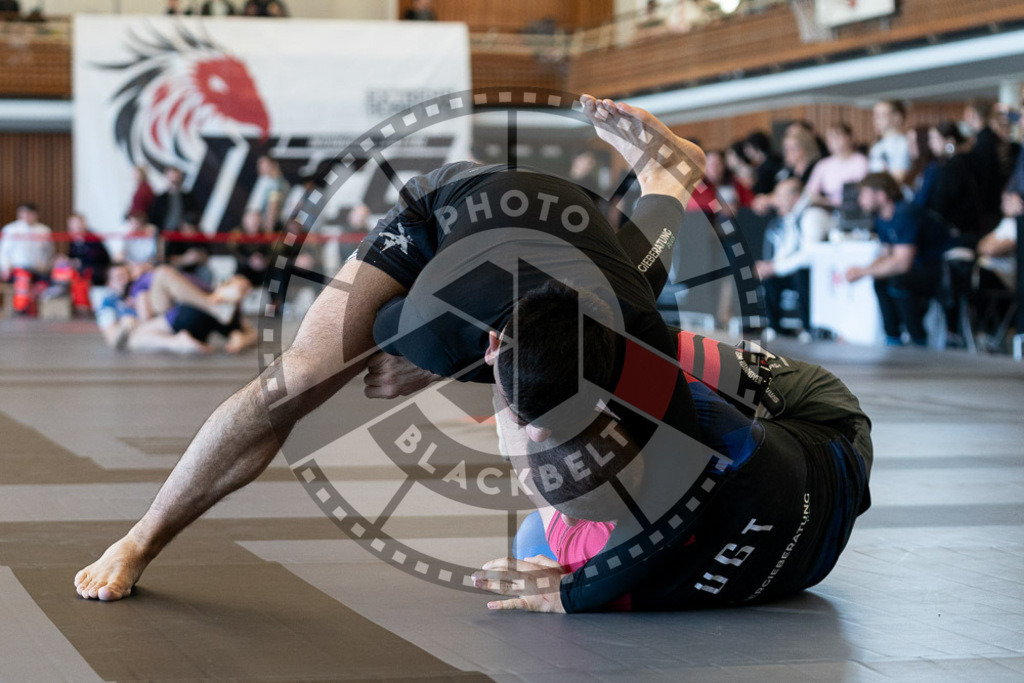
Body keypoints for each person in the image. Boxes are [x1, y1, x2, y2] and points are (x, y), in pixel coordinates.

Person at [73, 95, 707, 601]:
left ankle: (667, 174)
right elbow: (382, 343)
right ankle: (140, 539)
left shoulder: (635, 331)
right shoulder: (435, 323)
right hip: (447, 210)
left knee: (639, 283)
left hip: (572, 245)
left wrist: (572, 592)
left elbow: (690, 484)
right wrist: (426, 365)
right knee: (303, 378)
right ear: (490, 349)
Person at [476, 330, 872, 613]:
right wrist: (507, 365)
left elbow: (535, 481)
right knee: (659, 348)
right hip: (835, 453)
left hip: (811, 563)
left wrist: (568, 592)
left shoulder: (586, 560)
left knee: (531, 542)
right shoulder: (712, 429)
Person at [845, 173, 951, 347]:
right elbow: (886, 255)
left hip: (940, 268)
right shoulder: (882, 219)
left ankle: (919, 339)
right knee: (880, 280)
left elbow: (902, 263)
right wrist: (864, 270)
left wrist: (863, 272)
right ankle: (892, 337)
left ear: (881, 195)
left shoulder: (905, 213)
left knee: (898, 280)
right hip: (919, 267)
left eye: (864, 194)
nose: (860, 200)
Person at [92, 263, 254, 353]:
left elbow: (147, 314)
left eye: (126, 274)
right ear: (109, 284)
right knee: (134, 339)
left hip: (181, 314)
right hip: (176, 320)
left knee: (163, 273)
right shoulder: (109, 302)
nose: (125, 279)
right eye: (118, 277)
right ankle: (180, 340)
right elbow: (113, 339)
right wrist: (126, 325)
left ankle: (213, 308)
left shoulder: (139, 286)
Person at [755, 178, 833, 341]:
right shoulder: (791, 217)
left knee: (800, 273)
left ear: (796, 197)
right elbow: (787, 249)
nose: (776, 202)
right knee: (770, 279)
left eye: (781, 197)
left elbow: (810, 256)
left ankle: (809, 328)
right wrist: (771, 266)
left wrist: (776, 267)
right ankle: (774, 328)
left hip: (819, 274)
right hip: (798, 269)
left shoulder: (812, 214)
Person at [920, 122, 982, 247]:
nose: (930, 144)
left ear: (950, 142)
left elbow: (941, 202)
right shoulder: (962, 160)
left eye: (934, 139)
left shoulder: (953, 166)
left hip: (958, 232)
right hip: (968, 228)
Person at [803, 123, 869, 209]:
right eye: (829, 138)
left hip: (854, 207)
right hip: (829, 208)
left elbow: (863, 190)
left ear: (849, 138)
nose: (832, 141)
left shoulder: (861, 161)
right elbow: (810, 192)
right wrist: (824, 201)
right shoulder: (823, 164)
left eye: (836, 136)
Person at [0, 203, 53, 282]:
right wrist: (5, 268)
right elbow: (3, 251)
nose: (26, 216)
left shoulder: (44, 230)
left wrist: (47, 266)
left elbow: (49, 251)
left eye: (29, 213)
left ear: (35, 214)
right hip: (17, 269)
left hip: (39, 269)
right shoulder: (10, 229)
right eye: (23, 213)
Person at [868, 101, 912, 184]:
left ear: (896, 117)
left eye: (881, 115)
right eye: (875, 115)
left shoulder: (903, 144)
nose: (876, 119)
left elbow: (898, 178)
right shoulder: (877, 145)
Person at [65, 213, 110, 286]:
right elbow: (72, 256)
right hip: (80, 272)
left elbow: (96, 260)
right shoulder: (73, 242)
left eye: (78, 228)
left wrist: (79, 263)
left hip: (97, 273)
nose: (75, 232)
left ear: (84, 226)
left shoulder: (93, 239)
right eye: (72, 229)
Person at [148, 167, 197, 234]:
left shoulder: (188, 197)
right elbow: (153, 219)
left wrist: (188, 224)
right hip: (164, 233)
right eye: (172, 178)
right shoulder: (160, 199)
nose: (174, 180)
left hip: (182, 234)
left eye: (177, 177)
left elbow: (194, 214)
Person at [247, 155, 289, 231]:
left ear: (274, 165)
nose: (260, 168)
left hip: (265, 226)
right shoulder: (264, 181)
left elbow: (273, 206)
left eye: (263, 165)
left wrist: (269, 228)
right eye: (259, 165)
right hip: (256, 223)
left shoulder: (276, 184)